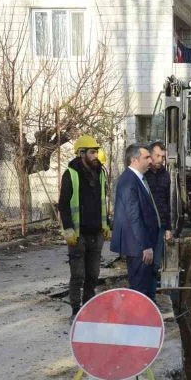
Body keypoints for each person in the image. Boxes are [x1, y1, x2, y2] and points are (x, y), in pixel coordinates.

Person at [58, 134, 111, 322]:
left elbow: (102, 203)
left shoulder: (100, 173)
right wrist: (69, 230)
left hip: (96, 233)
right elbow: (63, 205)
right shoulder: (71, 174)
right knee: (78, 275)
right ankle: (75, 311)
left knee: (93, 275)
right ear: (81, 153)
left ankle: (88, 310)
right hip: (78, 235)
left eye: (96, 151)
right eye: (92, 152)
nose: (96, 155)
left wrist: (106, 225)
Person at [110, 144, 161, 302]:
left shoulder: (139, 178)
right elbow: (134, 216)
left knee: (148, 284)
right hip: (138, 246)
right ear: (134, 160)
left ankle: (149, 316)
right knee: (140, 288)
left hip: (145, 242)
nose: (151, 161)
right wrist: (145, 245)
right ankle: (140, 321)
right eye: (146, 157)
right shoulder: (129, 181)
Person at [144, 142, 173, 275]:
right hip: (144, 226)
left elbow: (167, 202)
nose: (160, 159)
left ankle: (152, 293)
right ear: (150, 155)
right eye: (158, 156)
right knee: (143, 264)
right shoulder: (143, 174)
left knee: (155, 264)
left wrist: (168, 227)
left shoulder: (165, 175)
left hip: (160, 225)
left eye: (163, 157)